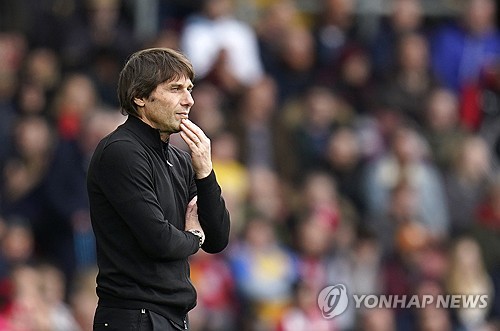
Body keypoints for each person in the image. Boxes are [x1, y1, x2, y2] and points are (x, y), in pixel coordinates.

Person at [86, 47, 231, 330]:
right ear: (139, 96)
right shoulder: (121, 152)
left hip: (170, 317)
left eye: (189, 89)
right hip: (134, 317)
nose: (189, 100)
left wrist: (205, 171)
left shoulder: (178, 158)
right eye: (175, 89)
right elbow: (160, 241)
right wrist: (193, 238)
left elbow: (217, 238)